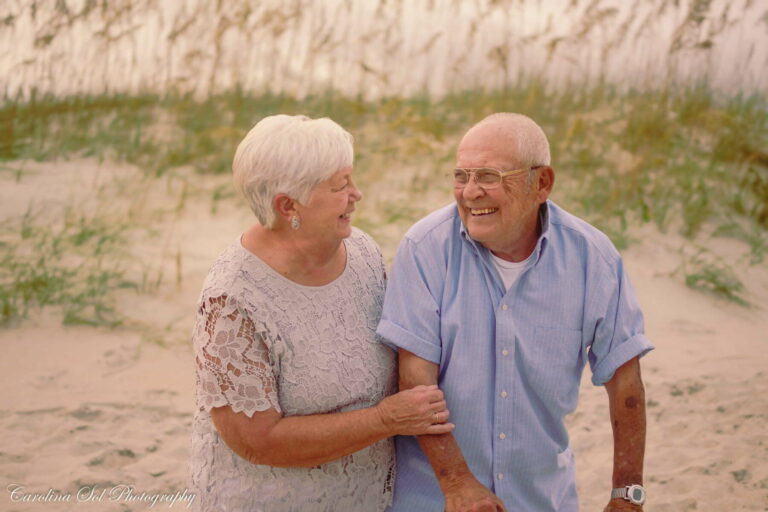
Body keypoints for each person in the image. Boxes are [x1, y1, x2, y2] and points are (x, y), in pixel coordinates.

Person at [377, 113, 654, 512]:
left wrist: (626, 494)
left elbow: (626, 383)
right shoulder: (424, 249)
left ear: (541, 183)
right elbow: (417, 382)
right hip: (434, 499)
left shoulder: (593, 259)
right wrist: (457, 485)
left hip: (542, 499)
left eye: (489, 177)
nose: (470, 193)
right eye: (461, 176)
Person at [189, 114, 453, 512]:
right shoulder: (232, 300)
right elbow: (256, 441)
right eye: (340, 185)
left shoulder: (362, 252)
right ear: (288, 205)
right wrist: (384, 420)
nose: (356, 194)